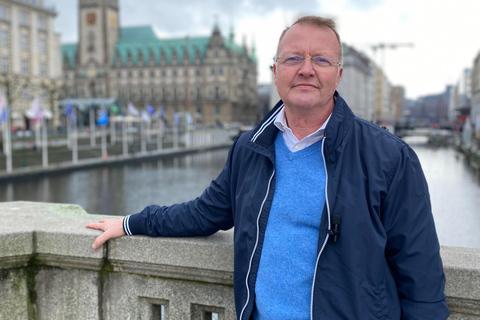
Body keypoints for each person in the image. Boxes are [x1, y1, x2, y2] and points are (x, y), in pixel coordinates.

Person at [87, 16, 450, 320]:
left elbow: (420, 276)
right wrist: (130, 223)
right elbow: (203, 213)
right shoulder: (250, 148)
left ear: (337, 76)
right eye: (293, 59)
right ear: (276, 72)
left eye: (321, 60)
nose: (306, 69)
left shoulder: (389, 156)